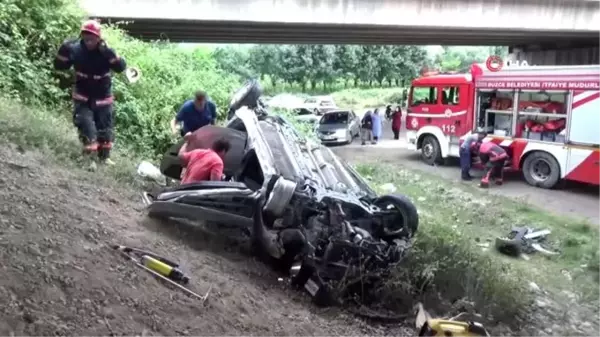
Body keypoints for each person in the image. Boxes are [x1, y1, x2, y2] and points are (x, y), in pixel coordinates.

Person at [54, 20, 127, 166]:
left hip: (103, 96)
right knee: (86, 125)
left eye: (92, 37)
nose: (88, 40)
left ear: (98, 38)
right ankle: (89, 159)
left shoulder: (105, 51)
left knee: (105, 129)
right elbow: (60, 66)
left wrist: (110, 54)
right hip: (83, 95)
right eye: (86, 36)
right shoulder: (74, 49)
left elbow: (120, 68)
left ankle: (104, 157)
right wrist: (62, 51)